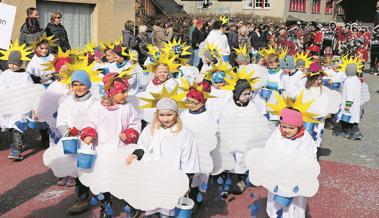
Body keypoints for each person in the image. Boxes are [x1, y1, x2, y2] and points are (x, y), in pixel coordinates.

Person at [80, 72, 141, 217]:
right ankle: (106, 206)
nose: (126, 95)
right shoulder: (97, 107)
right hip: (102, 150)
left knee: (124, 178)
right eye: (122, 92)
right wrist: (88, 133)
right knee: (103, 179)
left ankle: (130, 204)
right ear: (111, 92)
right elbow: (90, 122)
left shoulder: (127, 108)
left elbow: (135, 123)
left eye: (126, 91)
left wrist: (129, 133)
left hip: (121, 150)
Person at [127, 96, 200, 217]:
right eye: (161, 115)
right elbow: (143, 145)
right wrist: (136, 154)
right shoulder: (150, 129)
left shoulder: (185, 133)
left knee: (168, 209)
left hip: (173, 178)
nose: (165, 119)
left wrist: (187, 182)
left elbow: (189, 159)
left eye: (169, 115)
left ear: (176, 114)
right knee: (153, 206)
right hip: (153, 176)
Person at [264, 107, 317, 218]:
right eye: (284, 126)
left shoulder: (306, 140)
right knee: (276, 206)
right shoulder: (276, 136)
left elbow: (310, 158)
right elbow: (268, 150)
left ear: (299, 126)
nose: (286, 130)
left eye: (291, 128)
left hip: (295, 180)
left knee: (293, 207)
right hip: (278, 178)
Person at [0, 44, 34, 160]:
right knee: (9, 126)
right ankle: (14, 144)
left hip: (20, 106)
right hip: (8, 105)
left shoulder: (25, 76)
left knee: (17, 127)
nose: (12, 65)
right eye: (10, 63)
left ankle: (17, 149)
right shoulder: (5, 74)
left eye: (15, 63)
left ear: (20, 63)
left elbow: (30, 89)